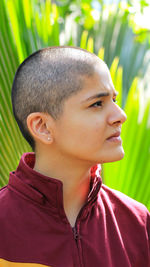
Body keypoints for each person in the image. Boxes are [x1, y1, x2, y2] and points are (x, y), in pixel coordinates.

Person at [0, 46, 149, 267]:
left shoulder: (137, 222)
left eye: (114, 101)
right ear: (42, 126)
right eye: (97, 104)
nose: (121, 116)